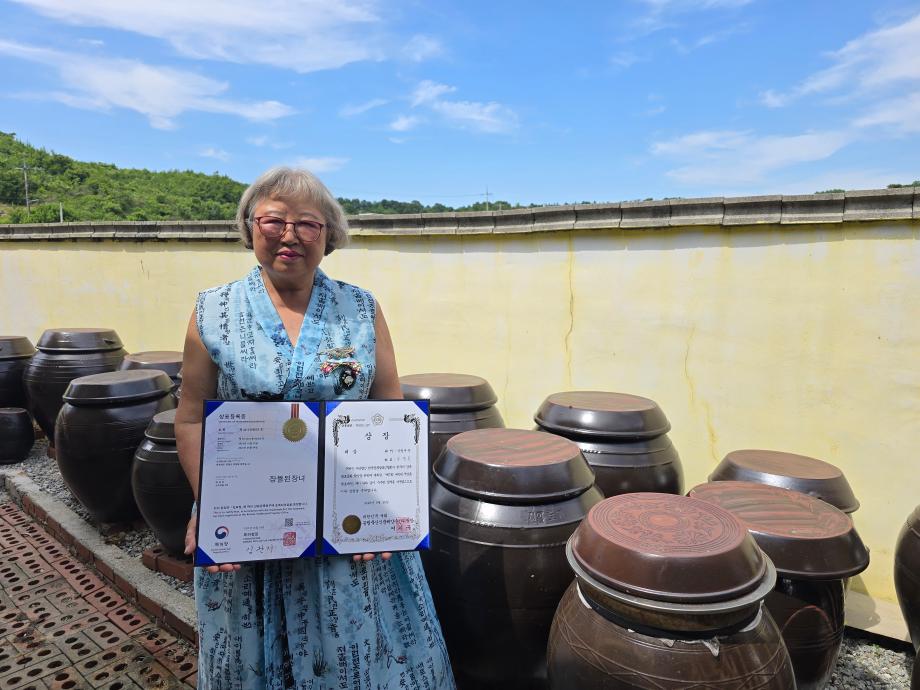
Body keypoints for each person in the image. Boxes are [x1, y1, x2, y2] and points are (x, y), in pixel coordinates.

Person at [176, 166, 456, 689]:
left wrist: (381, 510)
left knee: (358, 650)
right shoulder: (212, 310)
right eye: (274, 219)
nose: (290, 234)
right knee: (253, 656)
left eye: (308, 223)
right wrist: (210, 504)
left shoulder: (360, 308)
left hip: (347, 521)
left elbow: (386, 413)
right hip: (249, 518)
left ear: (329, 236)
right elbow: (191, 418)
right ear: (249, 226)